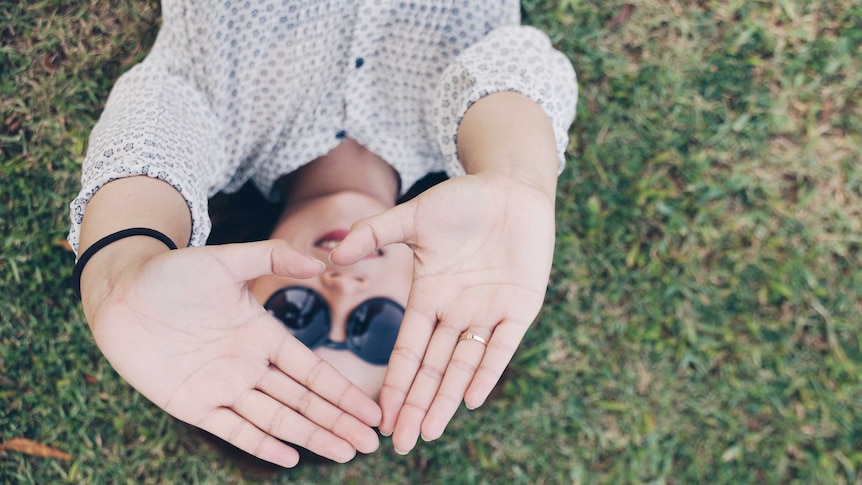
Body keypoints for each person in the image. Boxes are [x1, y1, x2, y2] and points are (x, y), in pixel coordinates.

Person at [69, 0, 578, 468]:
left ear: (239, 292)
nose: (341, 288)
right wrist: (517, 175)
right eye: (378, 326)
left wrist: (119, 269)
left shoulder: (218, 122)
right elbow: (514, 64)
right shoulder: (470, 138)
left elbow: (156, 126)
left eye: (295, 316)